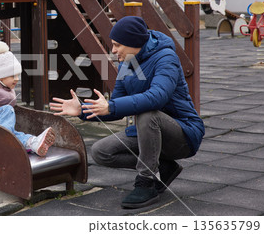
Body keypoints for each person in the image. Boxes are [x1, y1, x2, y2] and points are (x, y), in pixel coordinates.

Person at [50, 16, 205, 209]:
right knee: (101, 152)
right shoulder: (126, 64)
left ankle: (146, 181)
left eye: (117, 45)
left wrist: (112, 106)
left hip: (183, 134)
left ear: (134, 43)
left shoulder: (166, 58)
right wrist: (82, 109)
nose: (113, 50)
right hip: (150, 131)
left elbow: (158, 96)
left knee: (147, 113)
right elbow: (115, 107)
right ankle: (164, 167)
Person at [0, 41, 55, 156]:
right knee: (7, 110)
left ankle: (32, 142)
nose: (17, 79)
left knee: (16, 133)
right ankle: (6, 140)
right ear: (1, 75)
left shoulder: (5, 86)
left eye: (18, 75)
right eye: (13, 76)